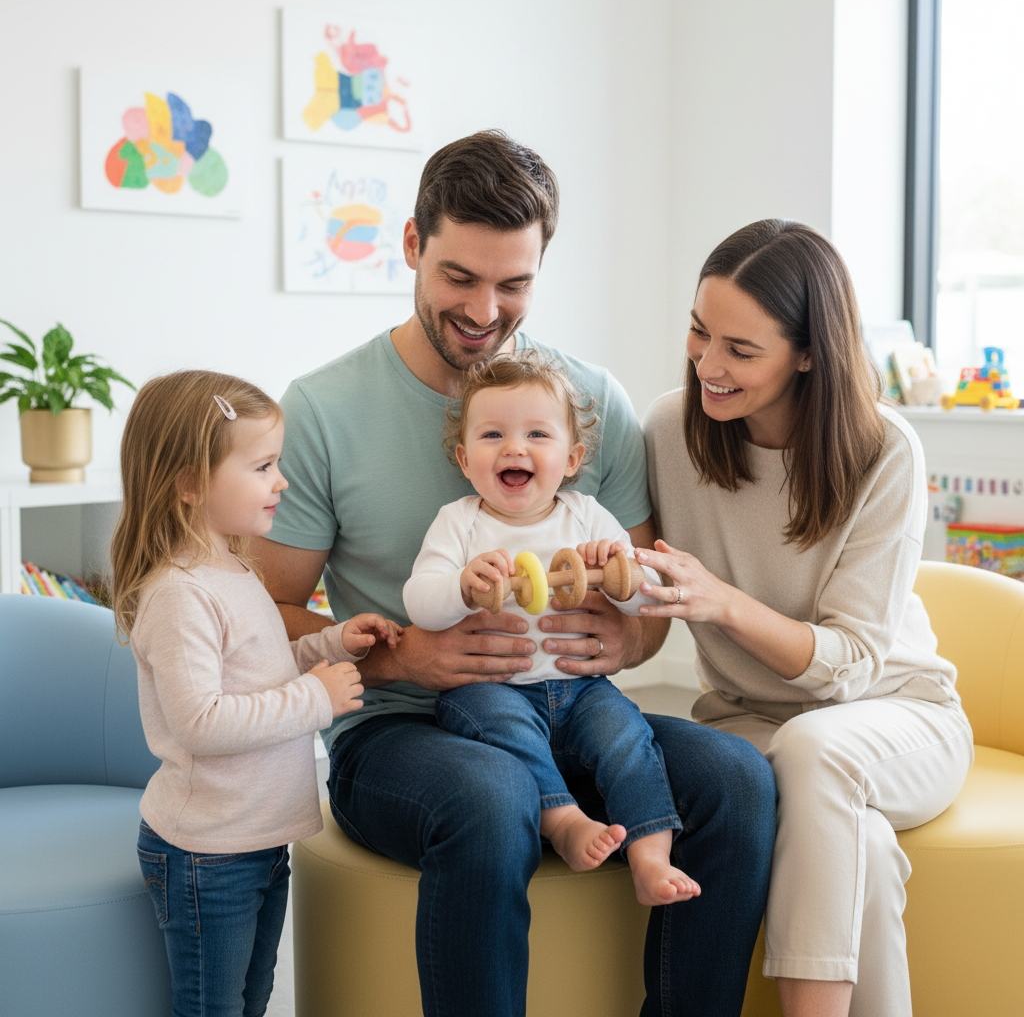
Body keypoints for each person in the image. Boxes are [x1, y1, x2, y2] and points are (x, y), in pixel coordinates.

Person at [256, 130, 776, 1017]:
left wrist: (624, 635)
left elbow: (645, 607)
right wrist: (403, 657)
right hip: (397, 733)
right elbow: (265, 612)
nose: (484, 310)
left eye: (514, 284)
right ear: (412, 244)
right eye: (459, 277)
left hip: (566, 709)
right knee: (492, 796)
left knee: (735, 779)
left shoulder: (586, 402)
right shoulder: (322, 408)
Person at [638, 219, 974, 1017]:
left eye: (740, 350)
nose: (707, 366)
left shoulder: (885, 450)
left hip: (897, 718)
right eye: (699, 331)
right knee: (863, 851)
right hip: (751, 722)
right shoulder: (667, 431)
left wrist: (724, 602)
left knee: (818, 749)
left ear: (809, 353)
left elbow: (852, 663)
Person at [110, 370, 400, 1017]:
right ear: (190, 483)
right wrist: (316, 699)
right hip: (207, 854)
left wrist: (333, 645)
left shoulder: (235, 570)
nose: (282, 482)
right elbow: (202, 721)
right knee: (212, 1006)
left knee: (252, 999)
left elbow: (261, 670)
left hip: (258, 840)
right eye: (264, 466)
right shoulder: (180, 594)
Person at [404, 351, 699, 905]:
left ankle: (650, 854)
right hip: (492, 688)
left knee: (629, 739)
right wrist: (461, 587)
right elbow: (420, 603)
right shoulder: (459, 523)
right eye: (493, 435)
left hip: (583, 688)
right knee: (502, 730)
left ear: (572, 458)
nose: (514, 448)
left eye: (537, 434)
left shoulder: (586, 516)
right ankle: (562, 822)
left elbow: (644, 598)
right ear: (465, 459)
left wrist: (620, 576)